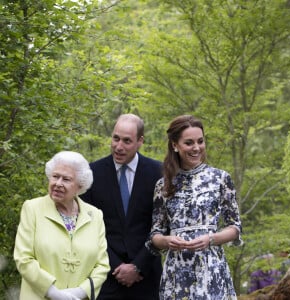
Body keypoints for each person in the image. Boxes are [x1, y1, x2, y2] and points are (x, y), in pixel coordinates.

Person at [146, 115, 243, 300]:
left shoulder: (221, 178)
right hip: (176, 272)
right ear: (175, 145)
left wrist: (211, 239)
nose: (196, 148)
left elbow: (235, 228)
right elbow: (155, 234)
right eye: (189, 143)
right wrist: (167, 241)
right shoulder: (163, 185)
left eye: (200, 141)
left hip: (211, 268)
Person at [81, 114, 163, 300]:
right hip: (105, 277)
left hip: (147, 276)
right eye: (115, 138)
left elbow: (163, 225)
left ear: (140, 141)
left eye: (127, 141)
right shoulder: (91, 173)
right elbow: (87, 226)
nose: (119, 146)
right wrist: (116, 266)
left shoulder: (159, 173)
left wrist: (138, 266)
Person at [14, 151, 110, 300]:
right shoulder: (32, 208)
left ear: (80, 186)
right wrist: (53, 293)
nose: (58, 183)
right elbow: (23, 258)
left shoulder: (95, 215)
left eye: (66, 179)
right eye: (55, 176)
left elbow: (102, 266)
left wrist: (79, 292)